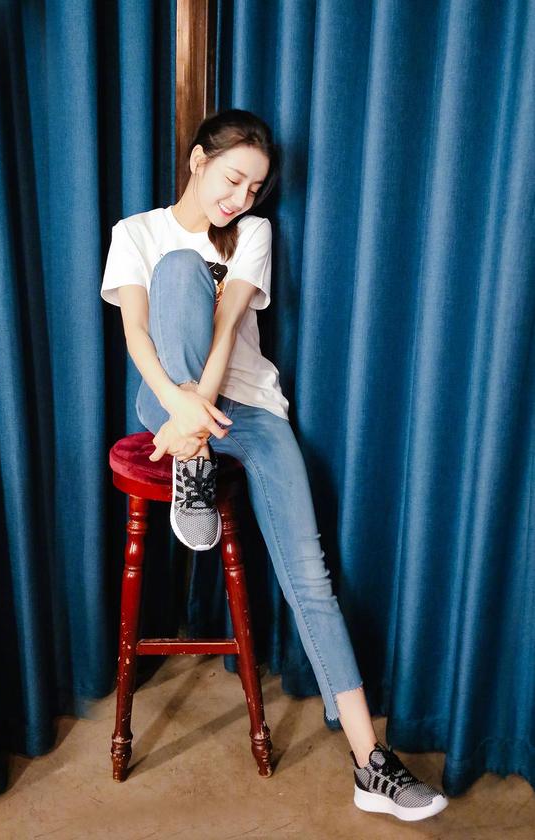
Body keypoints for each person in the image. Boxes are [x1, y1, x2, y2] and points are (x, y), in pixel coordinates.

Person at [101, 108, 449, 822]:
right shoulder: (136, 233)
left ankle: (370, 762)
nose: (241, 199)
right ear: (198, 160)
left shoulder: (252, 234)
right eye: (232, 179)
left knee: (311, 579)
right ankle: (193, 467)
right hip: (163, 398)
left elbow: (229, 323)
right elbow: (136, 332)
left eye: (254, 189)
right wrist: (180, 410)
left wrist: (196, 419)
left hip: (248, 410)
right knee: (178, 270)